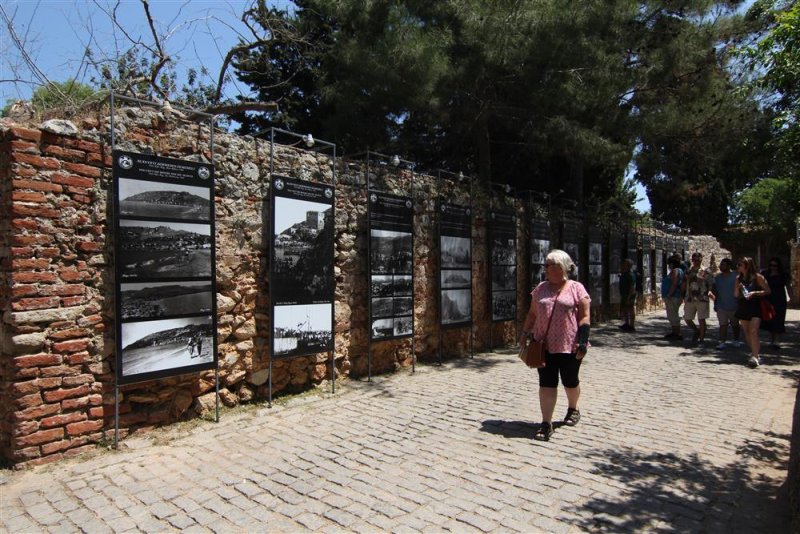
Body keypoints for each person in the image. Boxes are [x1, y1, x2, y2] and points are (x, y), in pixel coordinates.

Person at [520, 249, 591, 442]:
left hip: (570, 345)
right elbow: (532, 314)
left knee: (570, 380)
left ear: (561, 267)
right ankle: (546, 422)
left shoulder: (577, 288)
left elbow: (584, 317)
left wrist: (583, 342)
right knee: (547, 383)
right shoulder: (540, 289)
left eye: (549, 265)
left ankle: (573, 408)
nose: (545, 268)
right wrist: (524, 333)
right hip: (544, 345)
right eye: (546, 265)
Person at [734, 257, 771, 368]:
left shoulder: (758, 277)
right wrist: (737, 287)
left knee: (753, 330)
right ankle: (755, 353)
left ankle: (755, 357)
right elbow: (735, 295)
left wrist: (754, 293)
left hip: (755, 306)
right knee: (747, 331)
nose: (738, 266)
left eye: (740, 264)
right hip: (743, 306)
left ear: (747, 265)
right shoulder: (738, 278)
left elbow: (768, 290)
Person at [681, 252, 713, 345]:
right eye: (694, 260)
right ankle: (696, 330)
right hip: (690, 297)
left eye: (697, 260)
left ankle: (701, 339)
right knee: (687, 318)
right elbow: (684, 282)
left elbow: (710, 283)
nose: (696, 262)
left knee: (701, 318)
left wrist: (709, 291)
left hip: (702, 297)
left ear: (701, 259)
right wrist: (682, 294)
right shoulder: (688, 270)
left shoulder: (706, 270)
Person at [760, 257, 791, 350]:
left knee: (779, 319)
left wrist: (791, 298)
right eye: (771, 265)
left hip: (780, 300)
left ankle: (776, 341)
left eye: (775, 265)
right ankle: (772, 339)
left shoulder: (783, 275)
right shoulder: (765, 274)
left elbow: (788, 287)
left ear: (778, 266)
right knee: (770, 320)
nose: (773, 267)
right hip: (768, 300)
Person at [711, 258, 741, 349]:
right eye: (721, 264)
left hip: (734, 305)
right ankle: (722, 342)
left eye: (723, 265)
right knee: (722, 324)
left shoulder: (735, 276)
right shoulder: (717, 278)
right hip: (721, 305)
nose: (721, 266)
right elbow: (715, 292)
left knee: (735, 325)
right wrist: (715, 304)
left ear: (729, 266)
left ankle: (736, 339)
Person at [662, 255, 684, 340]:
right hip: (676, 296)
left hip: (673, 296)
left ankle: (677, 333)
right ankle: (674, 331)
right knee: (673, 314)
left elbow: (674, 283)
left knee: (673, 315)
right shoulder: (680, 271)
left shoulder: (675, 271)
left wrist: (669, 294)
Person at [619, 259, 636, 332]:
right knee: (625, 309)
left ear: (629, 266)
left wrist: (629, 297)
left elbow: (632, 287)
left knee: (630, 309)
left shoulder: (630, 274)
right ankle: (627, 323)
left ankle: (632, 325)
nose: (623, 265)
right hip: (624, 294)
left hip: (629, 295)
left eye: (625, 264)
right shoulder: (624, 273)